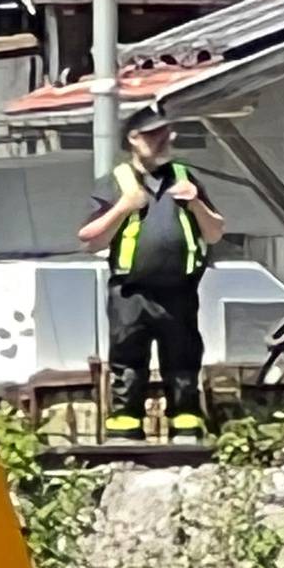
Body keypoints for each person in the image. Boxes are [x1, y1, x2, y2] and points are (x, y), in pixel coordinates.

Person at [79, 109, 225, 443]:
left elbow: (215, 232)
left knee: (183, 357)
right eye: (155, 134)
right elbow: (90, 239)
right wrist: (124, 207)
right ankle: (124, 424)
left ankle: (186, 422)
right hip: (131, 292)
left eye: (167, 132)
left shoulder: (185, 178)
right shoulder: (116, 182)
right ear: (133, 138)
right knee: (128, 357)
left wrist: (196, 204)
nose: (166, 139)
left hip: (179, 290)